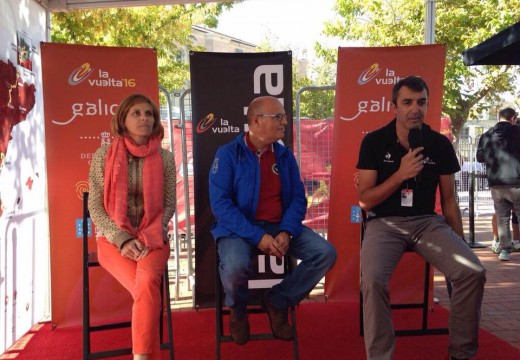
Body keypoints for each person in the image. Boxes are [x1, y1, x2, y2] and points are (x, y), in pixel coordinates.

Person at [356, 76, 486, 360]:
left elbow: (449, 200)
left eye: (421, 102)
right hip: (384, 223)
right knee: (373, 280)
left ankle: (461, 353)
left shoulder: (438, 143)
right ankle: (380, 356)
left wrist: (460, 244)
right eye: (407, 102)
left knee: (471, 271)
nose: (415, 109)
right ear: (394, 106)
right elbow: (365, 200)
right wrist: (400, 174)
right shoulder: (374, 141)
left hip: (427, 223)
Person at [209, 96, 337, 345]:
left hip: (279, 226)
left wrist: (286, 232)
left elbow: (299, 198)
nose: (285, 122)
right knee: (235, 267)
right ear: (256, 121)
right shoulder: (227, 154)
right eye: (278, 117)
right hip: (238, 230)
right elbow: (221, 206)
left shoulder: (284, 155)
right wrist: (258, 237)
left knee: (326, 253)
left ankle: (277, 301)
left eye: (284, 117)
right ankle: (237, 310)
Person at [88, 93, 176, 360]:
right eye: (136, 113)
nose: (144, 118)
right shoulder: (104, 155)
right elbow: (95, 206)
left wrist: (152, 232)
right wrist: (123, 239)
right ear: (123, 120)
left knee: (147, 282)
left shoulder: (165, 158)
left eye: (148, 113)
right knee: (146, 289)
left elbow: (169, 204)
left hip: (153, 237)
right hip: (113, 240)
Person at [477, 107, 520, 261]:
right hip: (517, 181)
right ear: (513, 118)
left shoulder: (486, 135)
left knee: (502, 217)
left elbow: (480, 157)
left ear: (498, 117)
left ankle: (505, 251)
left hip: (496, 182)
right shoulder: (517, 131)